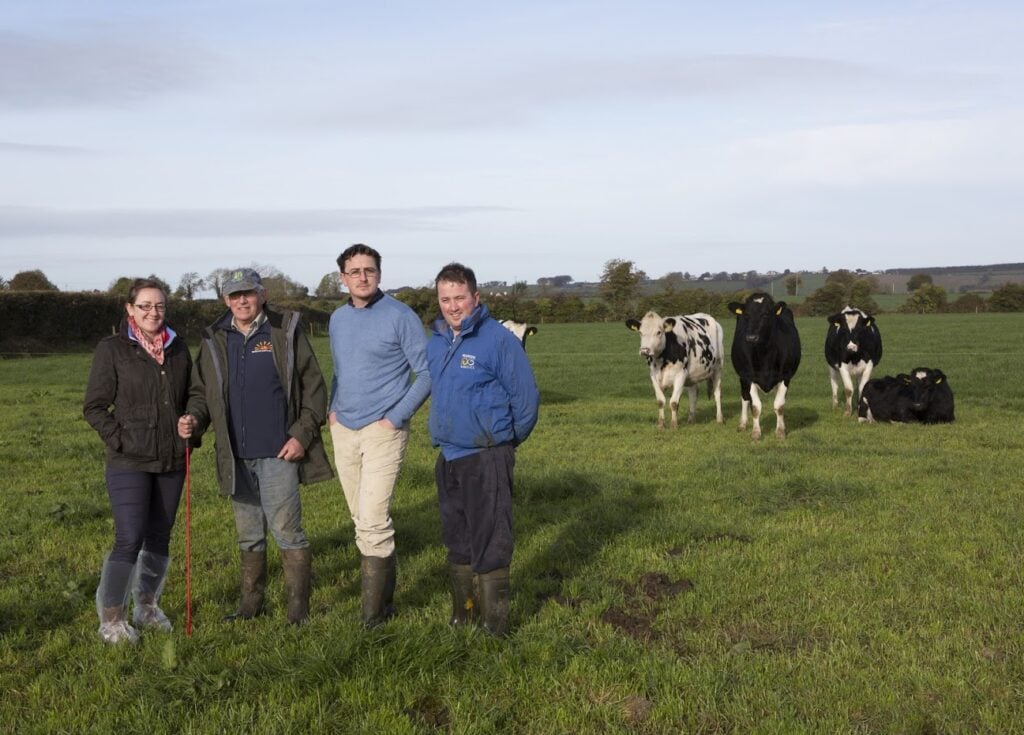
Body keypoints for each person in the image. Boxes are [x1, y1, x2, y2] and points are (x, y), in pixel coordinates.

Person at [177, 268, 332, 625]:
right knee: (248, 537)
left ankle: (298, 612)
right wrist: (194, 419)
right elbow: (201, 393)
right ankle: (251, 605)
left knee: (288, 533)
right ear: (225, 300)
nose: (241, 301)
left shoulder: (283, 330)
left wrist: (301, 435)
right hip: (235, 455)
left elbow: (314, 388)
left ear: (261, 294)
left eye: (247, 293)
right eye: (234, 295)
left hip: (279, 452)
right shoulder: (216, 337)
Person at [427, 263, 540, 636]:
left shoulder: (498, 340)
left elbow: (526, 402)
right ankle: (464, 614)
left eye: (460, 297)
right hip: (449, 456)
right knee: (457, 538)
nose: (453, 306)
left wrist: (501, 443)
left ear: (476, 297)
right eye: (445, 299)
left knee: (491, 539)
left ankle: (496, 627)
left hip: (486, 455)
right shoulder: (438, 341)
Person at [83, 278, 193, 645]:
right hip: (128, 461)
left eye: (159, 305)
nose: (153, 312)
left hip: (172, 458)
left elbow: (194, 395)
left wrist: (192, 420)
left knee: (159, 537)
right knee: (129, 537)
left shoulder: (178, 349)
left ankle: (147, 606)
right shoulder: (112, 349)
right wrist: (120, 439)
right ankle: (112, 619)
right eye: (144, 306)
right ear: (129, 309)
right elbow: (94, 406)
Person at [328, 244, 431, 627]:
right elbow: (339, 370)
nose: (362, 277)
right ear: (343, 278)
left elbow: (426, 373)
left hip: (383, 431)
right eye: (354, 272)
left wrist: (395, 418)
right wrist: (332, 410)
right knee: (361, 519)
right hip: (344, 430)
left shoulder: (400, 317)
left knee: (372, 520)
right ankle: (384, 601)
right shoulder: (337, 319)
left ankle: (373, 618)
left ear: (380, 273)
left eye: (369, 270)